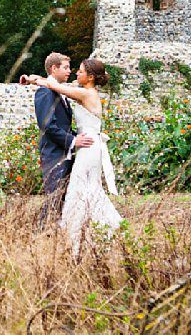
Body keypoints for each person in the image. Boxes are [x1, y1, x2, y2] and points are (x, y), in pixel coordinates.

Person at [23, 57, 122, 256]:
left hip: (87, 147)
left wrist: (35, 79)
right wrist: (34, 79)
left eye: (80, 71)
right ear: (54, 68)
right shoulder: (83, 92)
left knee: (81, 189)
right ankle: (77, 231)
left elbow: (53, 85)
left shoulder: (85, 93)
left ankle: (74, 232)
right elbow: (50, 88)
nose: (75, 73)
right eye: (69, 68)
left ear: (91, 77)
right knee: (81, 189)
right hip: (85, 147)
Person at [29, 53, 94, 228]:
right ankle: (39, 233)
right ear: (53, 68)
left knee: (63, 197)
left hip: (65, 152)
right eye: (65, 67)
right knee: (54, 198)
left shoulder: (57, 90)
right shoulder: (45, 92)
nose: (69, 71)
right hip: (53, 154)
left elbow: (63, 125)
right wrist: (73, 141)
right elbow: (48, 126)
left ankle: (55, 232)